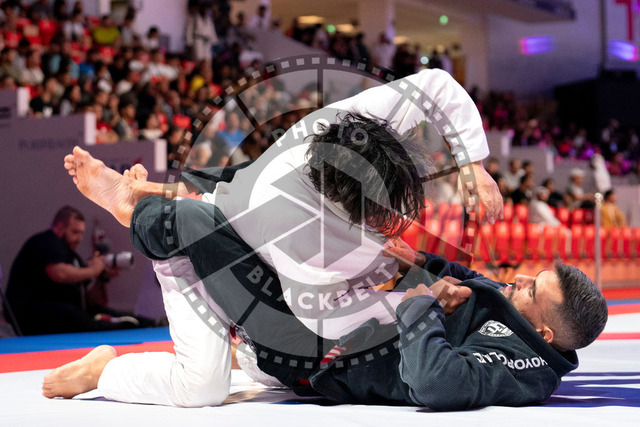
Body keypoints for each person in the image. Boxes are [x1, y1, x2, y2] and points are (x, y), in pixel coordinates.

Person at [44, 155, 607, 410]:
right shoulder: (508, 311)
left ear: (544, 334)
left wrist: (423, 306)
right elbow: (462, 279)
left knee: (205, 369)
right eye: (533, 276)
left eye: (533, 290)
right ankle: (163, 197)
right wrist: (416, 262)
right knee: (291, 217)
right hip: (331, 321)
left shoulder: (523, 364)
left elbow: (436, 384)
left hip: (318, 351)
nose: (520, 280)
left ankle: (146, 216)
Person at [4, 206, 143, 335]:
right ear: (60, 227)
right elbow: (59, 273)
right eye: (75, 232)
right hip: (30, 314)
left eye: (81, 233)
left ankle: (144, 323)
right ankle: (126, 328)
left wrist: (102, 278)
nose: (79, 238)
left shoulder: (73, 256)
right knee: (77, 317)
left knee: (108, 314)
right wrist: (93, 270)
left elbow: (91, 301)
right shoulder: (45, 242)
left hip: (63, 312)